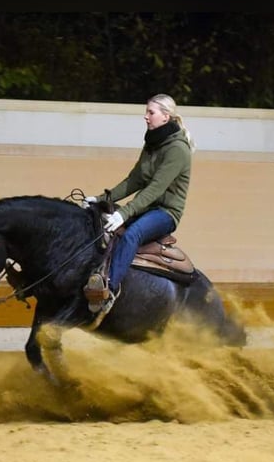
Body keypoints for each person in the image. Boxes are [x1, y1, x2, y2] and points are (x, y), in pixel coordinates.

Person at [83, 93, 195, 314]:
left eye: (150, 113)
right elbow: (134, 180)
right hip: (147, 207)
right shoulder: (153, 142)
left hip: (165, 213)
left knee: (132, 234)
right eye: (146, 112)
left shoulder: (177, 150)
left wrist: (124, 213)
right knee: (104, 225)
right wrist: (100, 200)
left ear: (166, 116)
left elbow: (155, 188)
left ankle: (109, 291)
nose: (146, 117)